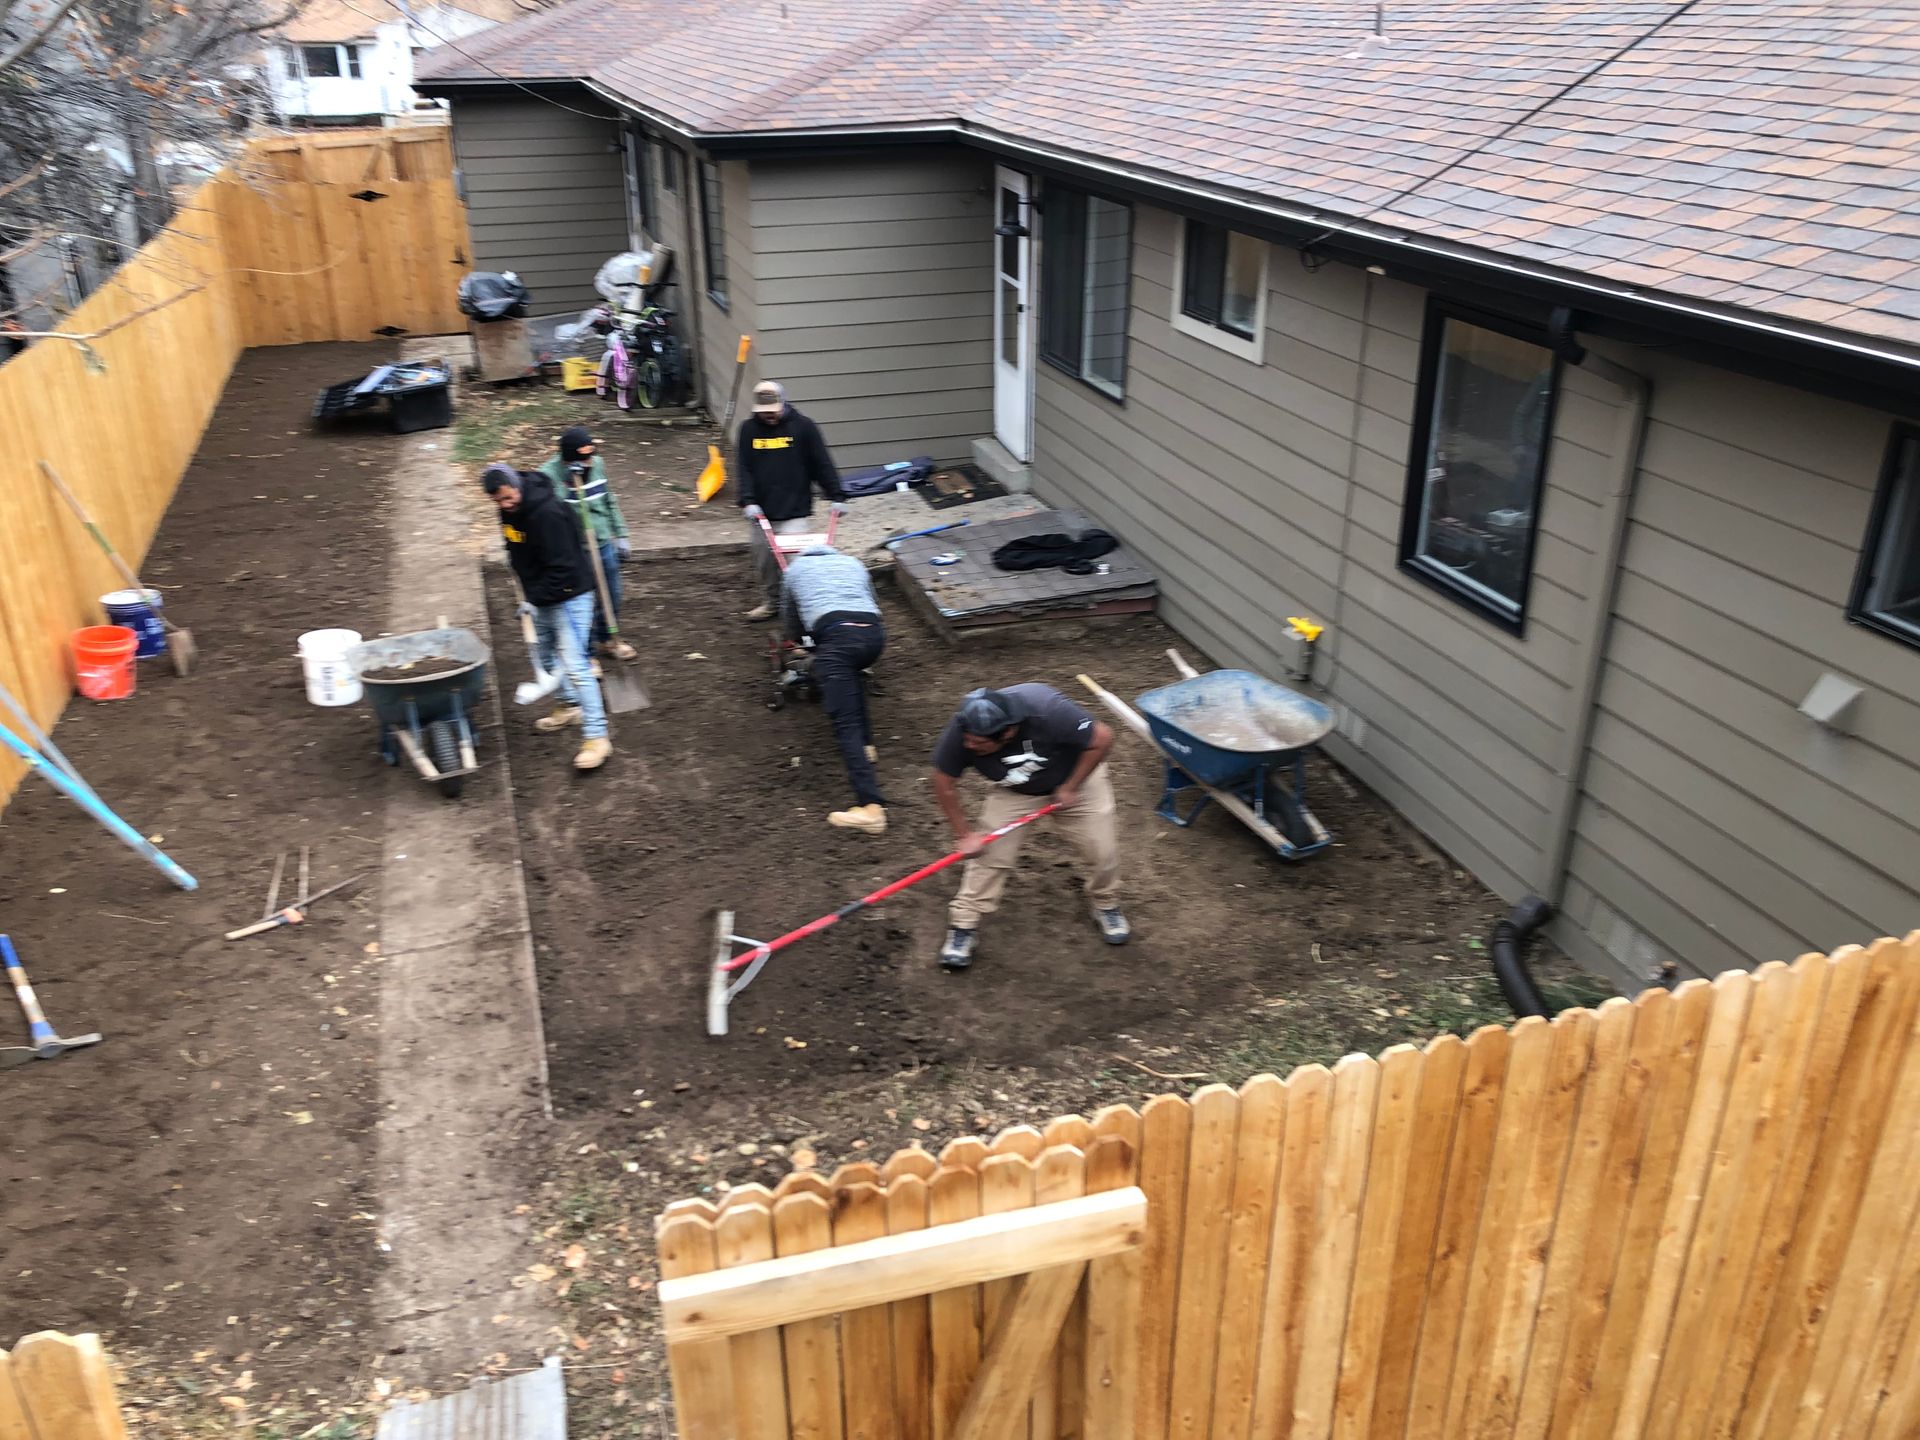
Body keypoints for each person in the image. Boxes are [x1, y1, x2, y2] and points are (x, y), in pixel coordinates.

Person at [929, 684, 1127, 971]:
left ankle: (1106, 901)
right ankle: (964, 924)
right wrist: (965, 835)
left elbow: (1103, 738)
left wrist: (1071, 787)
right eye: (968, 741)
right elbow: (943, 781)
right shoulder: (963, 730)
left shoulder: (1049, 711)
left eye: (978, 744)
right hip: (1016, 791)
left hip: (1076, 781)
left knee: (1102, 850)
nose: (968, 746)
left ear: (1008, 732)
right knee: (988, 855)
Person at [482, 462, 611, 771]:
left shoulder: (548, 514)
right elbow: (514, 543)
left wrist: (533, 599)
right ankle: (569, 706)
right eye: (497, 501)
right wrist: (520, 573)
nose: (504, 505)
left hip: (571, 595)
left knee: (577, 666)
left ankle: (597, 737)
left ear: (517, 486)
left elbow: (563, 569)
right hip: (540, 593)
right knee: (546, 656)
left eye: (506, 498)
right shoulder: (512, 510)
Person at [779, 544, 887, 834]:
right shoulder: (853, 562)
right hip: (874, 635)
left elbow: (790, 618)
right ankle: (867, 747)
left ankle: (871, 808)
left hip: (837, 637)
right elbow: (872, 600)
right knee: (852, 681)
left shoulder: (794, 571)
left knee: (844, 721)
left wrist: (798, 642)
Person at [737, 379, 847, 621]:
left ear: (783, 404)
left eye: (772, 411)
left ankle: (805, 611)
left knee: (797, 566)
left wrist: (836, 495)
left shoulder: (803, 427)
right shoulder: (748, 430)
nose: (769, 416)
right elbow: (743, 467)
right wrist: (747, 500)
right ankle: (772, 603)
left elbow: (821, 463)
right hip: (761, 512)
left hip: (794, 510)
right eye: (763, 413)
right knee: (764, 561)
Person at [539, 425, 633, 659]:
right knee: (583, 603)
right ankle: (586, 653)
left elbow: (609, 500)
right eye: (584, 457)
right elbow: (551, 516)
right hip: (575, 550)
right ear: (568, 458)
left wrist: (620, 534)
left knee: (612, 594)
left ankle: (607, 639)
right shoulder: (548, 475)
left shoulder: (598, 464)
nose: (590, 461)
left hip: (603, 543)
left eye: (591, 455)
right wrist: (569, 483)